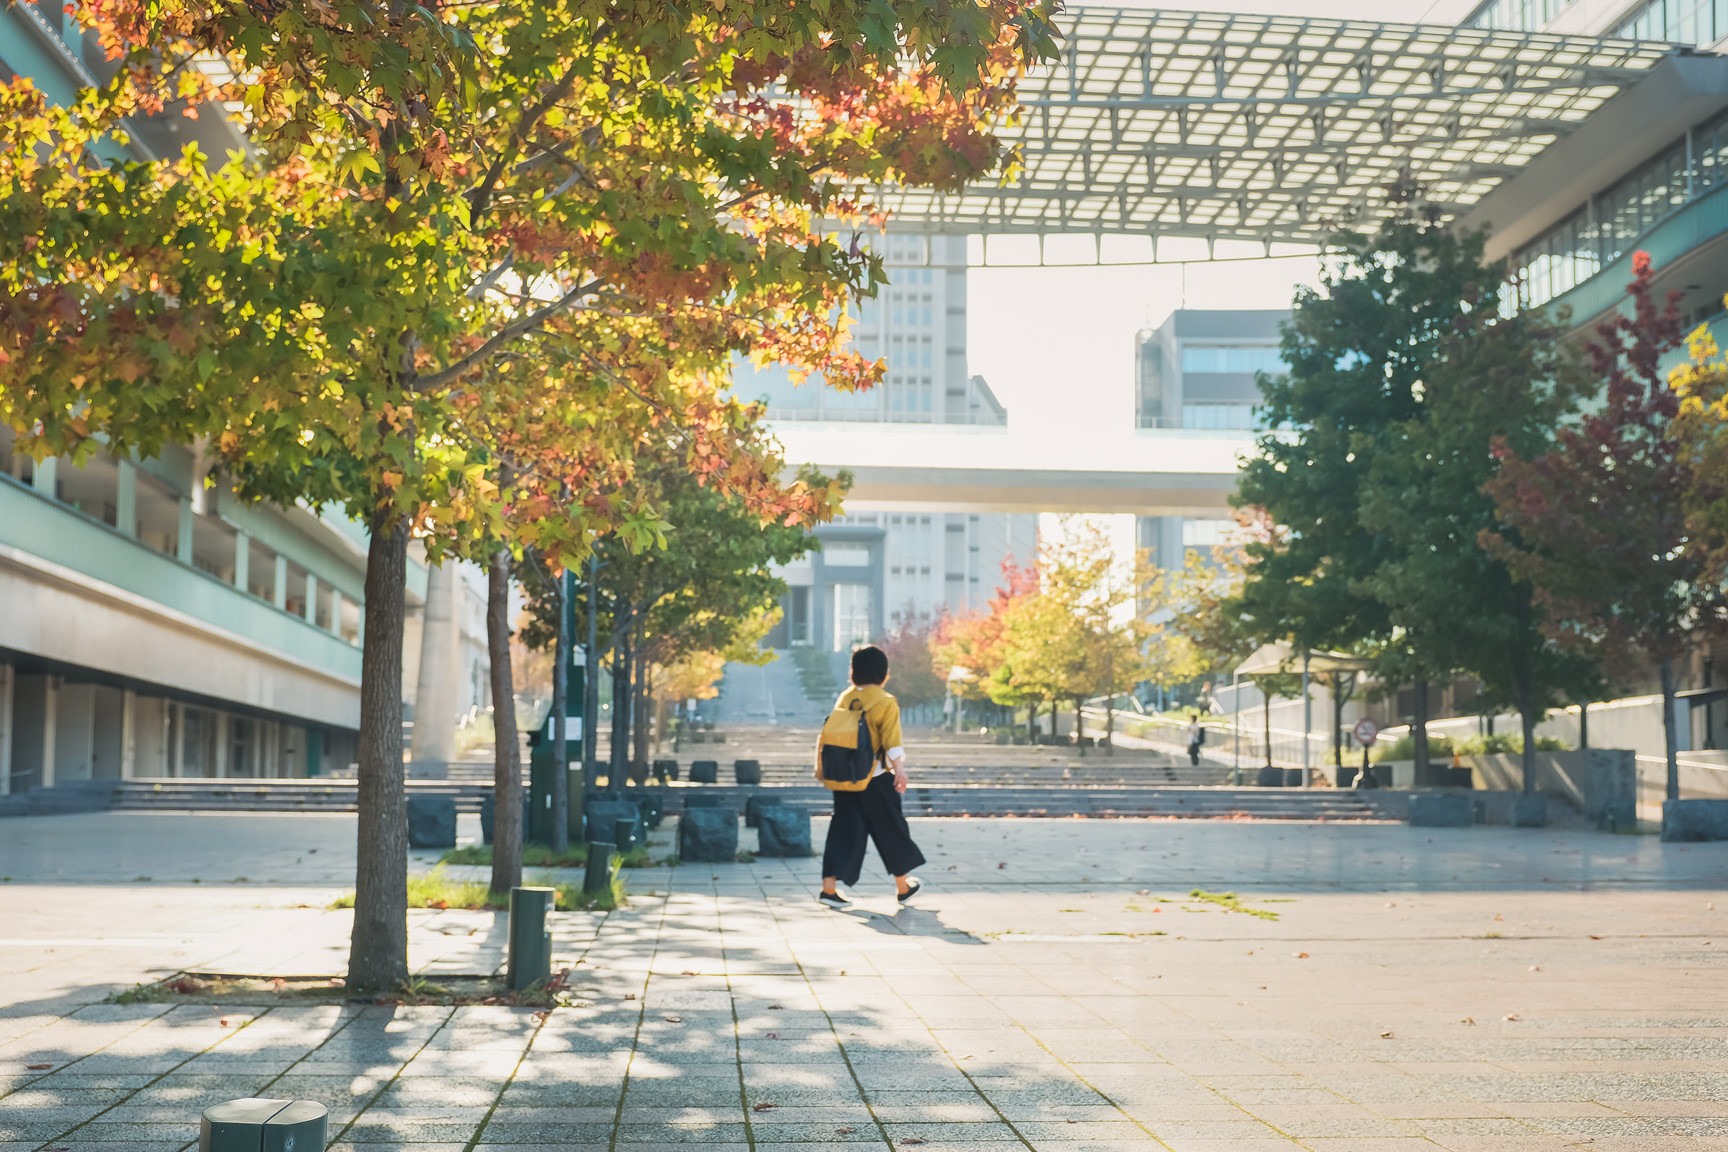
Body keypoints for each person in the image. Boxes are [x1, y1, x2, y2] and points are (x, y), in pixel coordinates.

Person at [814, 645, 926, 907]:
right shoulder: (885, 701)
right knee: (891, 827)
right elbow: (891, 739)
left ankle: (828, 890)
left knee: (842, 828)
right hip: (874, 777)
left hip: (844, 777)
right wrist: (899, 769)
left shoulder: (845, 697)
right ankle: (902, 886)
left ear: (854, 671)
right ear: (883, 673)